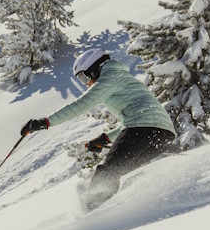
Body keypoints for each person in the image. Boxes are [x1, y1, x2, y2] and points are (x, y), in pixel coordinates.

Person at [21, 49, 176, 211]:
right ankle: (123, 211)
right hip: (162, 134)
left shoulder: (109, 78)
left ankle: (92, 215)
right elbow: (136, 121)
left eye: (83, 77)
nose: (86, 83)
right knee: (123, 173)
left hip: (145, 129)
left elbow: (82, 105)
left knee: (107, 172)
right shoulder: (118, 76)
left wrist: (45, 122)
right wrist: (105, 139)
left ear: (93, 68)